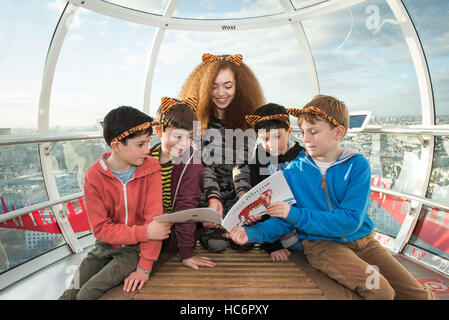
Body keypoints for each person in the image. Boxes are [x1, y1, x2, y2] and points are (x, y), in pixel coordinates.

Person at [229, 95, 435, 300]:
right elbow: (283, 221)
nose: (306, 139)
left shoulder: (357, 165)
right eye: (304, 132)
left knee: (418, 296)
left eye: (314, 131)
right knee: (381, 291)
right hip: (322, 245)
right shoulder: (294, 172)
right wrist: (252, 234)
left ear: (339, 132)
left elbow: (350, 221)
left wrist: (295, 214)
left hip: (364, 242)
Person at [60, 106, 172, 300]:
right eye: (141, 144)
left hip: (134, 250)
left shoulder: (152, 168)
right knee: (71, 291)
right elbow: (101, 230)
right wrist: (145, 232)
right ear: (116, 146)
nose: (148, 150)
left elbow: (155, 221)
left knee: (87, 293)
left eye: (148, 142)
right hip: (103, 247)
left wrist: (144, 268)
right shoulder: (94, 177)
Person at [179, 53, 265, 252]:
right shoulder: (195, 123)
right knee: (216, 245)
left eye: (228, 86)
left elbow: (241, 166)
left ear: (239, 87)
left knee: (246, 243)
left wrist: (244, 197)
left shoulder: (246, 124)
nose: (221, 93)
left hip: (234, 195)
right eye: (214, 86)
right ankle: (205, 223)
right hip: (206, 196)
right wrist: (212, 199)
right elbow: (203, 167)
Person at [150, 96, 216, 270]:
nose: (185, 144)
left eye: (190, 137)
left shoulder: (191, 163)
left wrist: (186, 253)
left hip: (173, 236)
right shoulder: (146, 159)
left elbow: (186, 208)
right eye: (177, 136)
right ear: (158, 131)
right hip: (147, 230)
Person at [244, 103, 305, 261]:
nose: (272, 144)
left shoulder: (303, 157)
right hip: (277, 234)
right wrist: (272, 246)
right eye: (265, 138)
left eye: (278, 136)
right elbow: (260, 203)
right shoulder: (256, 161)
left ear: (289, 131)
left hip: (304, 228)